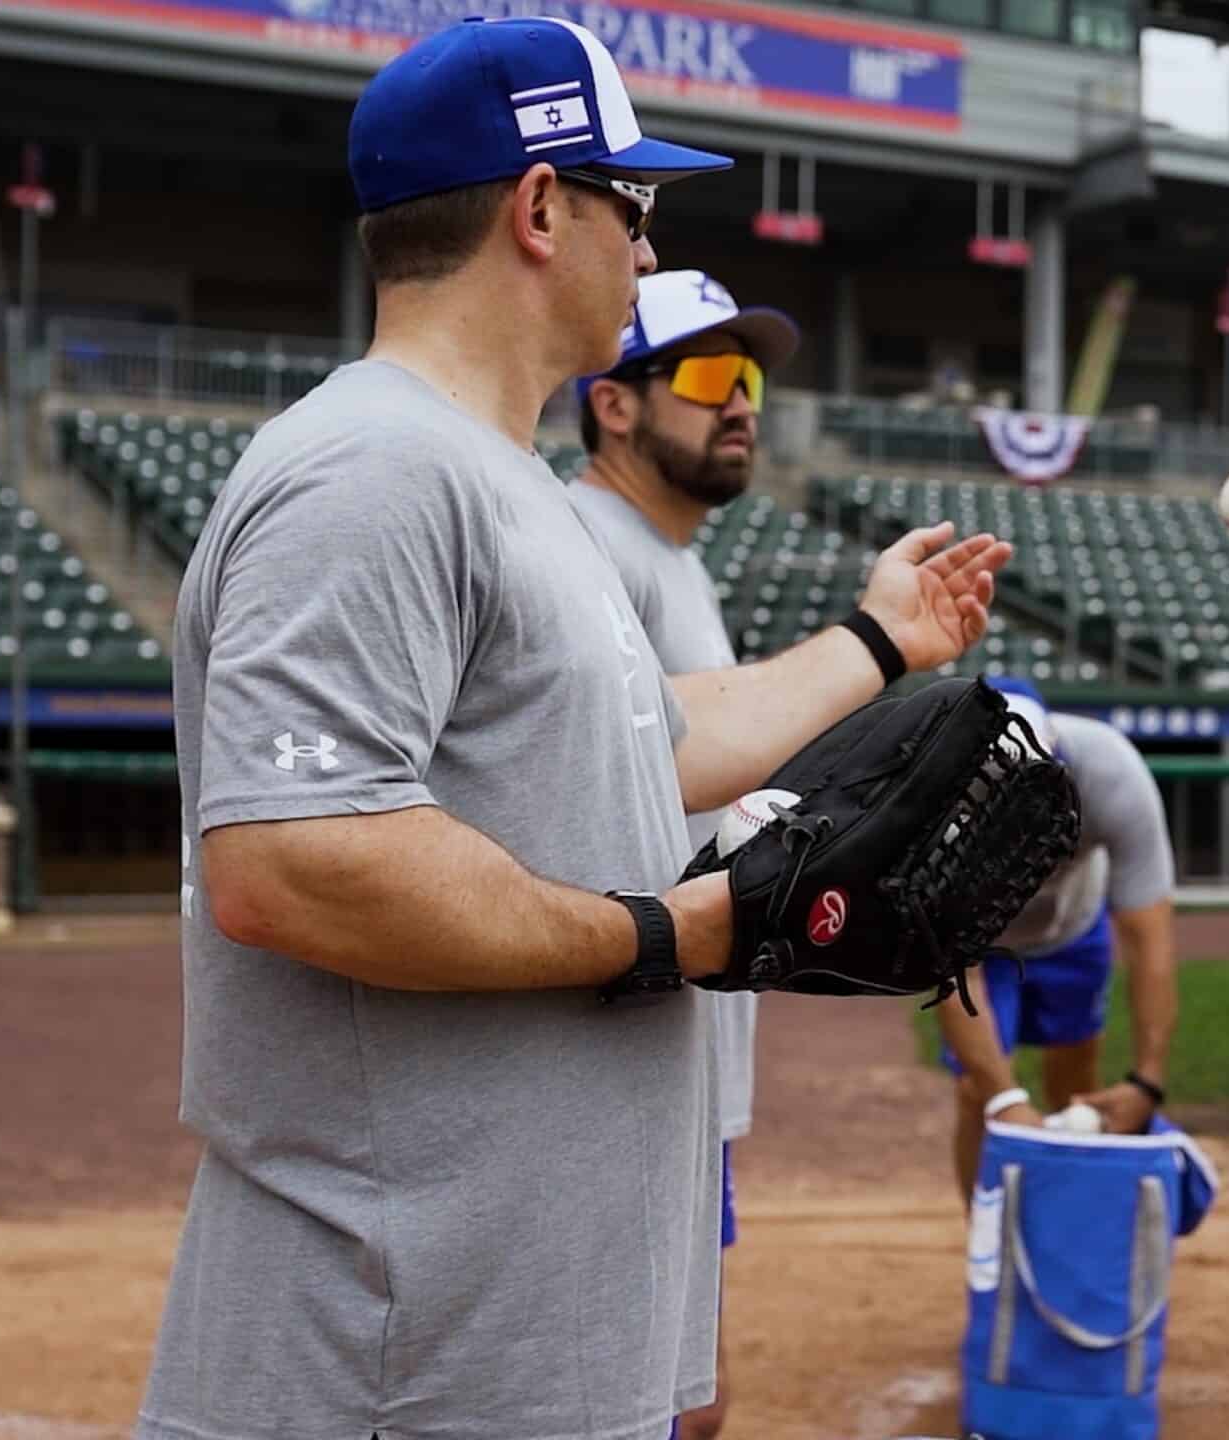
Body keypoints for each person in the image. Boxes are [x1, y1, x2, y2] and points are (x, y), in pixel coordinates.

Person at [137, 19, 1009, 1440]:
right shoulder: (372, 467)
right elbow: (289, 860)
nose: (649, 253)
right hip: (397, 1357)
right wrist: (672, 931)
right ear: (542, 207)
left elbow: (645, 744)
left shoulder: (502, 481)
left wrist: (875, 644)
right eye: (636, 206)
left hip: (496, 1338)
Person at [565, 266, 802, 1440]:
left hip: (681, 1033)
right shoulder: (589, 543)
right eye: (712, 376)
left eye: (749, 378)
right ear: (615, 402)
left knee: (683, 1398)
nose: (743, 402)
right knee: (642, 1401)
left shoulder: (667, 555)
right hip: (623, 1036)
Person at [934, 675, 1179, 1201]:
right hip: (983, 946)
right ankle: (987, 1243)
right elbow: (958, 973)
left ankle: (1067, 1223)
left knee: (1077, 1088)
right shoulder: (930, 812)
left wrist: (1147, 1080)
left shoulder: (1110, 771)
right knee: (977, 1092)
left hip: (1073, 926)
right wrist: (1005, 1100)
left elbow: (1148, 937)